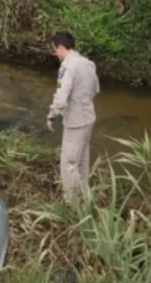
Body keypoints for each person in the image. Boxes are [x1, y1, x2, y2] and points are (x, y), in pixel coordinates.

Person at [46, 31, 100, 200]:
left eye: (55, 49)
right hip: (89, 117)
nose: (55, 53)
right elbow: (96, 89)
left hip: (75, 121)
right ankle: (85, 196)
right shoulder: (88, 63)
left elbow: (61, 96)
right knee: (83, 161)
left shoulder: (67, 67)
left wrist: (52, 115)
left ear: (61, 47)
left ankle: (71, 203)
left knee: (69, 164)